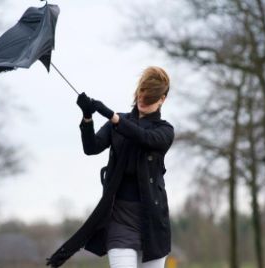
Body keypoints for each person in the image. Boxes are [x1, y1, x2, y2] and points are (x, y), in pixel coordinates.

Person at [45, 66, 174, 268]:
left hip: (153, 223)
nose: (143, 101)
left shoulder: (164, 131)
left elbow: (144, 137)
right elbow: (91, 148)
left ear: (162, 99)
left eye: (149, 99)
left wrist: (111, 115)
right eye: (141, 94)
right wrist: (87, 117)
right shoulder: (118, 124)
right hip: (119, 220)